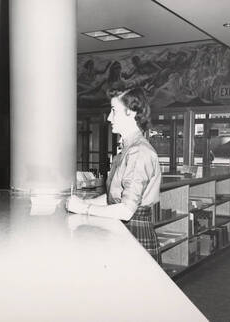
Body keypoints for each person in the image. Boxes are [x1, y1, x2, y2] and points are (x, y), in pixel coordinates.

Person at [66, 87, 161, 261]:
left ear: (131, 112)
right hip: (126, 231)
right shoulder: (127, 150)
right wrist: (83, 202)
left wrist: (83, 208)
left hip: (135, 233)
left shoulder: (138, 152)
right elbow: (113, 197)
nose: (109, 117)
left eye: (114, 111)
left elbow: (125, 210)